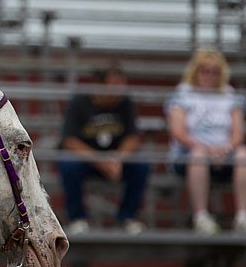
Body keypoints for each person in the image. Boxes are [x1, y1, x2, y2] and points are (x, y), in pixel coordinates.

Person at [58, 65, 150, 234]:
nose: (120, 90)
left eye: (122, 84)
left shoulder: (125, 102)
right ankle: (77, 218)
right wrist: (99, 161)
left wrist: (118, 158)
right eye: (115, 84)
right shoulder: (79, 102)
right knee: (68, 165)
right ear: (98, 84)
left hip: (115, 162)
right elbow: (69, 140)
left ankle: (127, 218)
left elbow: (133, 137)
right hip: (87, 160)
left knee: (142, 165)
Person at [165, 48, 246, 235]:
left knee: (243, 153)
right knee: (198, 155)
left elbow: (237, 133)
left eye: (215, 71)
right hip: (190, 154)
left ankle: (242, 216)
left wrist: (226, 148)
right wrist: (205, 148)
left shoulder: (230, 96)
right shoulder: (183, 95)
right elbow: (177, 131)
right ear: (195, 70)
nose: (209, 75)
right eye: (204, 70)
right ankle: (201, 216)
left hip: (225, 153)